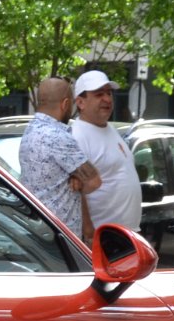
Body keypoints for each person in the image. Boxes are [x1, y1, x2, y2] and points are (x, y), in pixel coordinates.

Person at [17, 76, 99, 238]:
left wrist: (74, 176)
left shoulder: (30, 131)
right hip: (59, 235)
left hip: (36, 229)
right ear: (65, 104)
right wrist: (78, 178)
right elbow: (94, 181)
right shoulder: (58, 137)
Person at [67, 70, 141, 232]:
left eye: (109, 93)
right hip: (102, 237)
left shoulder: (110, 129)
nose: (107, 99)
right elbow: (76, 193)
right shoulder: (77, 136)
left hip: (126, 234)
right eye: (99, 94)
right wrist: (88, 232)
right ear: (80, 102)